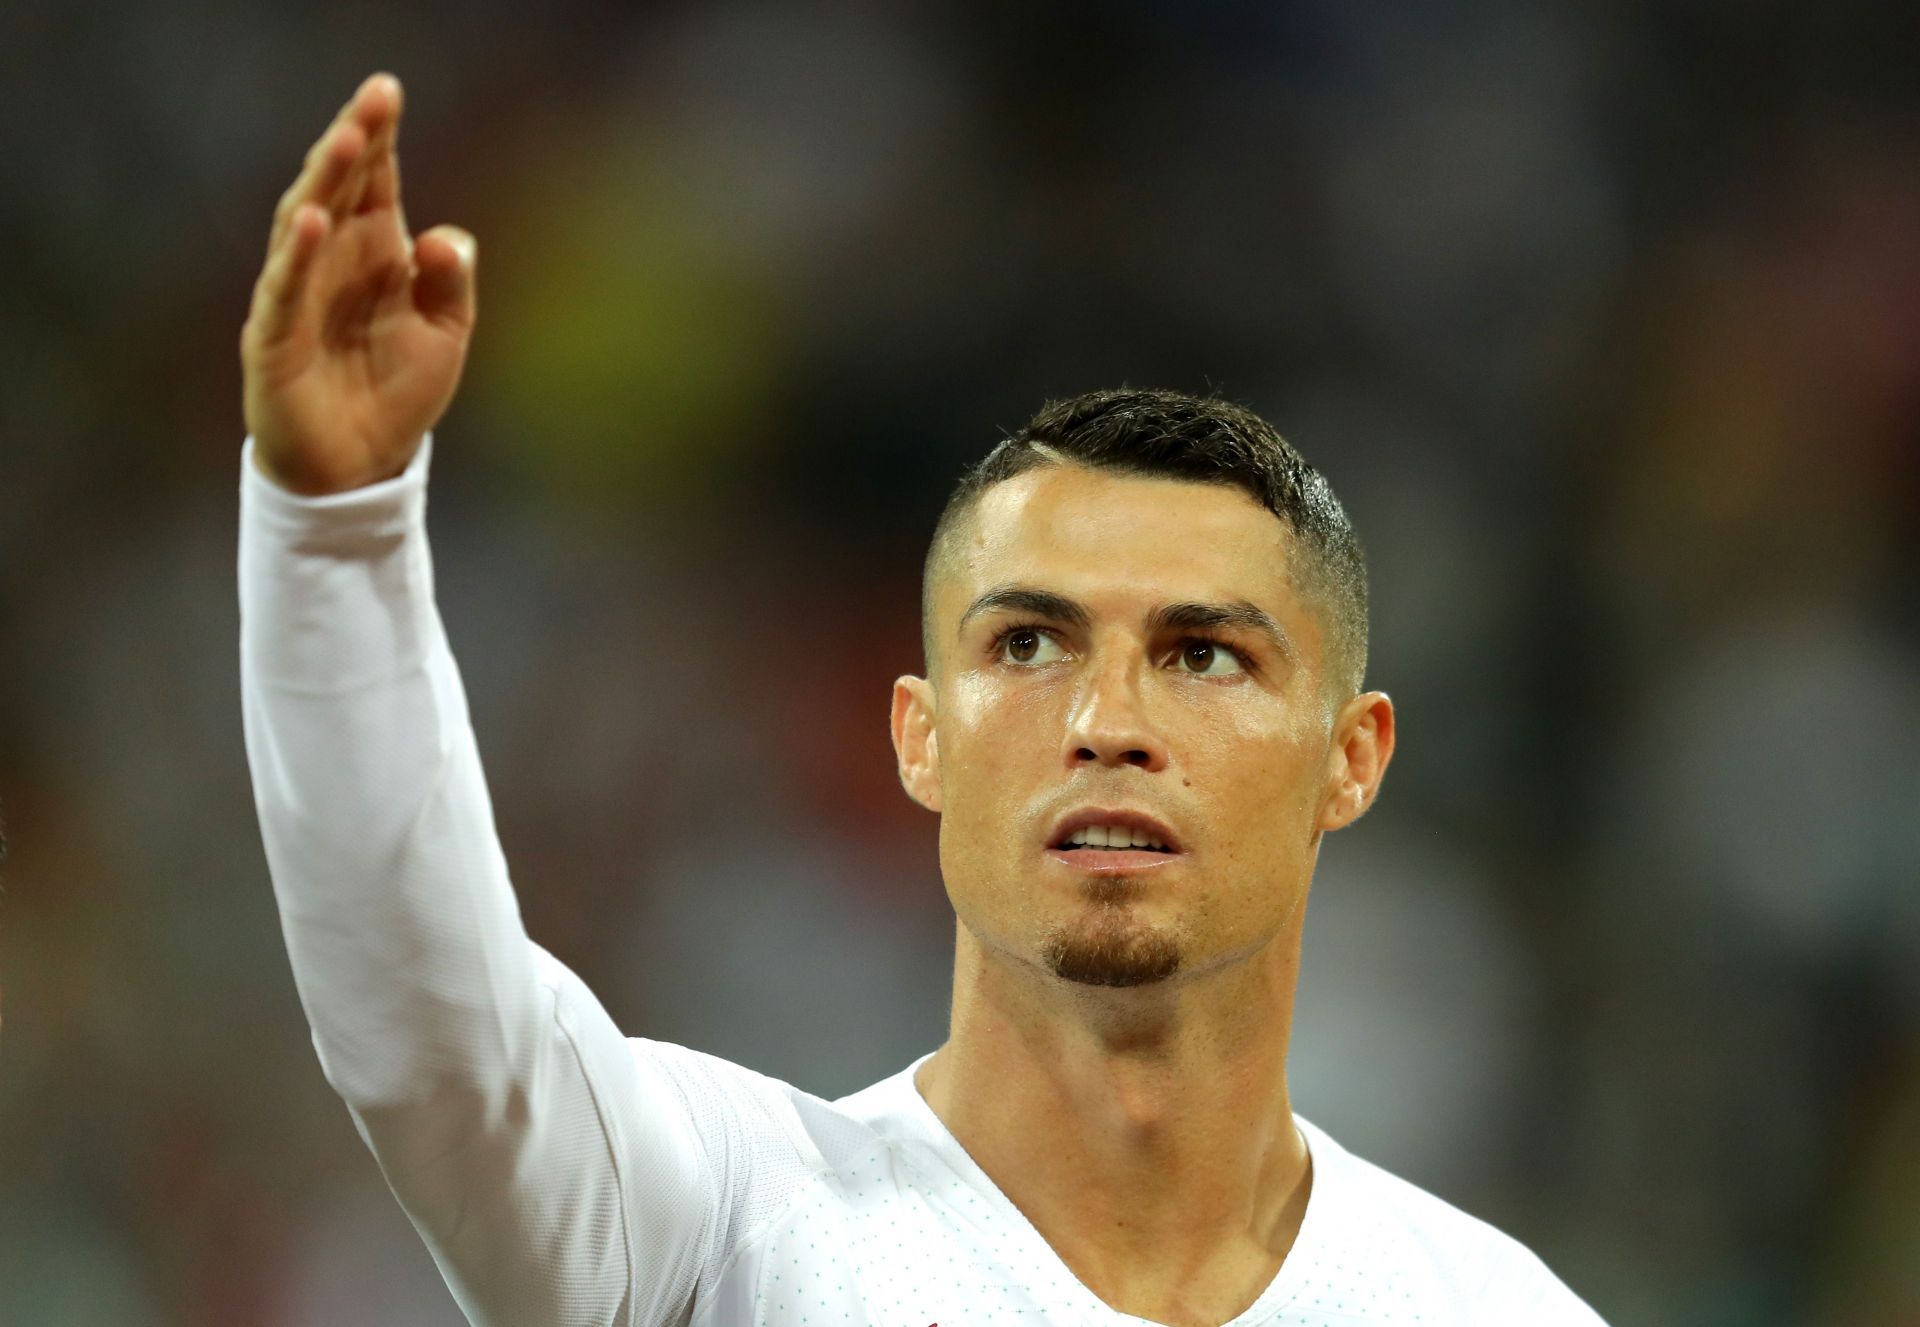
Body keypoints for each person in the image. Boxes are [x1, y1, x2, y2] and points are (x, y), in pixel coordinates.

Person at [237, 72, 1607, 1327]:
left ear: (1351, 759)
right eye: (1029, 645)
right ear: (921, 737)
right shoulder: (722, 1224)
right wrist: (334, 533)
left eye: (1202, 653)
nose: (1107, 721)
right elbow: (434, 1047)